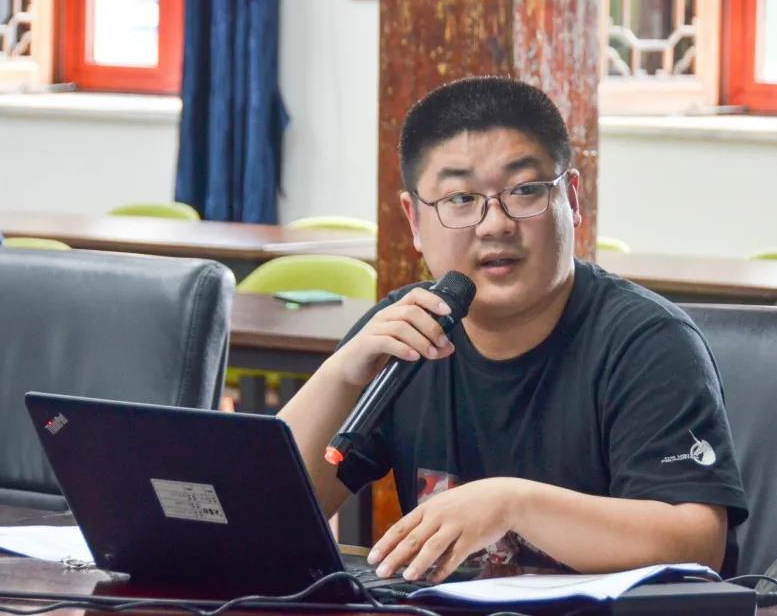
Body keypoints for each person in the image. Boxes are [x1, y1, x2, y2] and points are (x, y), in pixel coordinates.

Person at [280, 76, 748, 584]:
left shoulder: (647, 342)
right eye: (460, 198)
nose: (495, 224)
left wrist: (514, 505)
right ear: (414, 220)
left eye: (524, 191)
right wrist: (339, 377)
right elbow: (269, 516)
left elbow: (698, 543)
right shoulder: (408, 335)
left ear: (572, 198)